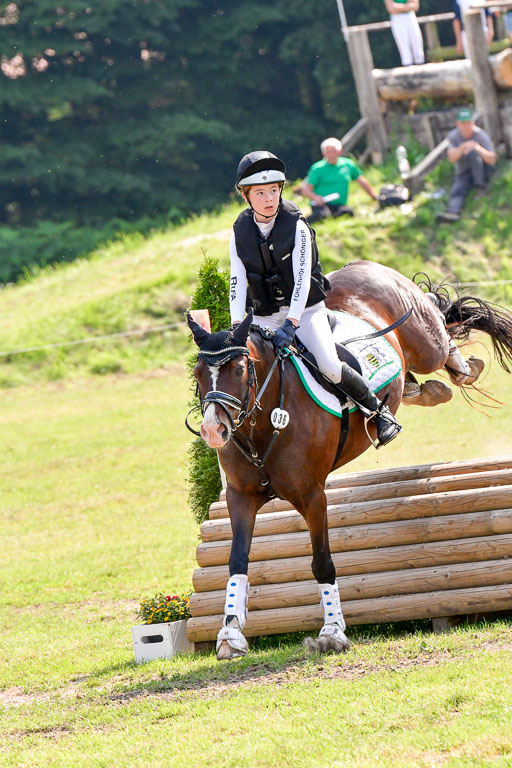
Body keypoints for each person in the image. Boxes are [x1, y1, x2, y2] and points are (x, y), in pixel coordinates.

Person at [228, 150, 401, 447]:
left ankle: (378, 412)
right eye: (260, 193)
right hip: (263, 315)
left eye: (274, 190)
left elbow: (301, 281)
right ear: (246, 196)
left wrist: (291, 324)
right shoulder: (239, 231)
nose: (270, 198)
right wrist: (236, 328)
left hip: (305, 311)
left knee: (329, 364)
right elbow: (236, 281)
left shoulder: (296, 225)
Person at [298, 138, 378, 224]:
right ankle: (302, 223)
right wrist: (315, 197)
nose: (331, 154)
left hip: (339, 204)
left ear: (340, 151)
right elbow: (306, 189)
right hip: (321, 204)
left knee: (348, 212)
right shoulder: (317, 168)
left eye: (333, 151)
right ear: (324, 154)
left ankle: (333, 217)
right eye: (328, 152)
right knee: (322, 215)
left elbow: (361, 180)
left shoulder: (348, 164)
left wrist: (374, 196)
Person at [437, 107, 496, 223]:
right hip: (464, 172)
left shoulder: (481, 135)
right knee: (457, 189)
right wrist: (462, 148)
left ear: (473, 122)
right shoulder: (453, 136)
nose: (466, 126)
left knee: (473, 154)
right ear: (457, 124)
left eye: (468, 122)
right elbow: (451, 158)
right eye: (463, 123)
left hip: (483, 170)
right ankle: (452, 213)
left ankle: (480, 187)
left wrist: (477, 148)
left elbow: (492, 160)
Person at [384, 0, 425, 67]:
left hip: (410, 16)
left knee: (418, 48)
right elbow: (391, 9)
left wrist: (398, 6)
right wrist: (408, 6)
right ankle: (409, 73)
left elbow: (415, 6)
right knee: (405, 51)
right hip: (397, 18)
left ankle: (422, 72)